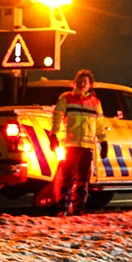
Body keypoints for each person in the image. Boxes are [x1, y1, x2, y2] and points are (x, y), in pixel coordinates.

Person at [49, 69, 108, 216]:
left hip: (87, 147)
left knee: (83, 180)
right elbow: (57, 117)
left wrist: (103, 142)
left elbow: (100, 124)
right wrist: (54, 134)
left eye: (85, 81)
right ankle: (62, 208)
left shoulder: (96, 103)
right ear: (75, 83)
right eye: (80, 81)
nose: (82, 84)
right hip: (70, 145)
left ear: (90, 85)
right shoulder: (66, 98)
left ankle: (78, 209)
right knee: (67, 178)